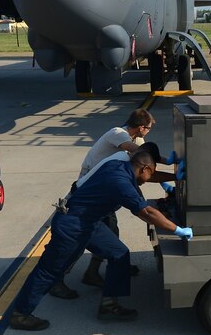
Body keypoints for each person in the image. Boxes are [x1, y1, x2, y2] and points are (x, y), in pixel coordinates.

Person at [10, 151, 193, 330]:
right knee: (49, 270)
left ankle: (109, 305)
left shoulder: (118, 166)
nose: (148, 179)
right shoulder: (121, 183)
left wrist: (175, 176)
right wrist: (177, 229)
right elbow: (146, 212)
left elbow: (147, 178)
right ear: (144, 168)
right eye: (150, 173)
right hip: (72, 225)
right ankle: (20, 314)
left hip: (90, 223)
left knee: (119, 253)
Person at [48, 109, 176, 299]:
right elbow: (142, 157)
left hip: (107, 192)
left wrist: (175, 170)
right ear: (141, 127)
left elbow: (146, 162)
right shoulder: (118, 134)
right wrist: (171, 162)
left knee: (110, 234)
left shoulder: (137, 141)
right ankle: (56, 281)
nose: (148, 131)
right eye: (148, 128)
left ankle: (94, 272)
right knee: (76, 241)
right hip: (88, 192)